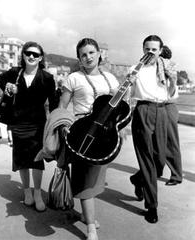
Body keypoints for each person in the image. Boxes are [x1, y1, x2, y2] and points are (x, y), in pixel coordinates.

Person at [59, 38, 119, 240]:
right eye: (83, 54)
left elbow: (119, 106)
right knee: (85, 179)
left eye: (92, 52)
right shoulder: (73, 78)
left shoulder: (110, 78)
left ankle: (86, 216)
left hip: (104, 135)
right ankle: (91, 227)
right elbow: (62, 108)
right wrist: (65, 124)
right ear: (79, 58)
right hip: (81, 133)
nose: (88, 57)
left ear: (99, 54)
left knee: (96, 178)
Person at [0, 41, 58, 212]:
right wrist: (7, 87)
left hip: (38, 126)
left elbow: (54, 104)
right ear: (23, 55)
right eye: (28, 53)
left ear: (40, 58)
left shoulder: (47, 78)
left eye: (35, 54)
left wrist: (56, 125)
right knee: (22, 161)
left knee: (37, 161)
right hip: (17, 124)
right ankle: (27, 192)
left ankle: (37, 193)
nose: (31, 56)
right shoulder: (15, 73)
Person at [129, 35, 179, 223]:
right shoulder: (135, 69)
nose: (150, 52)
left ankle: (138, 179)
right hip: (143, 110)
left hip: (162, 110)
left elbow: (173, 95)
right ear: (143, 49)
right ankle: (152, 206)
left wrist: (173, 80)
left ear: (160, 50)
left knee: (160, 160)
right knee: (147, 160)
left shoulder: (168, 67)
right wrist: (129, 81)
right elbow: (127, 94)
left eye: (154, 49)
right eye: (147, 49)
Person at [160, 45, 182, 185]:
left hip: (168, 106)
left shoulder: (170, 70)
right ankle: (157, 170)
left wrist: (172, 79)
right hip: (157, 107)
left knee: (171, 142)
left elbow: (172, 95)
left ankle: (176, 175)